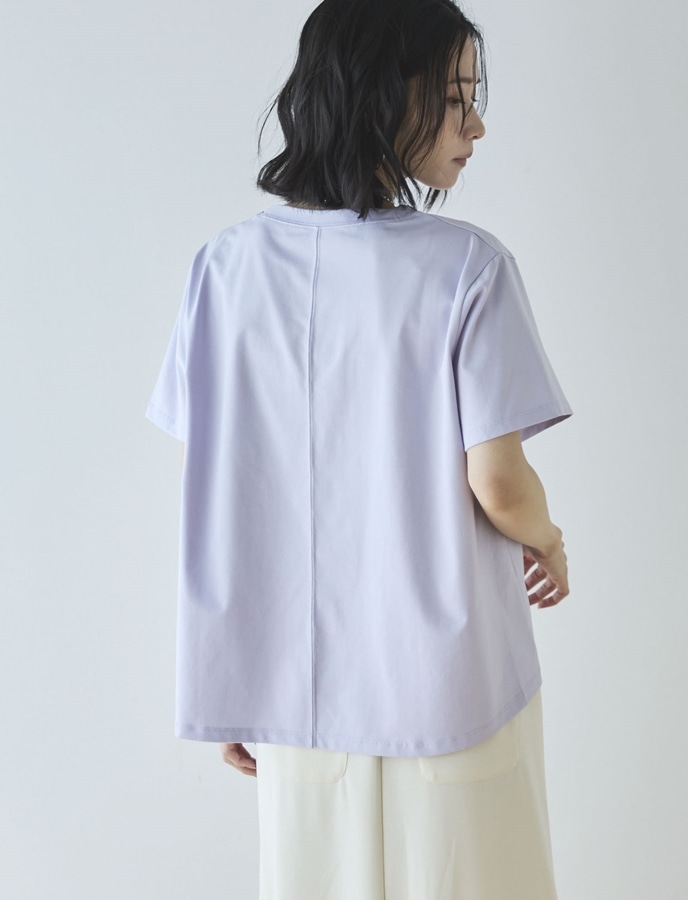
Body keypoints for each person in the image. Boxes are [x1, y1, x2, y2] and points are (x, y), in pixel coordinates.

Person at [145, 0, 572, 896]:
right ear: (385, 96)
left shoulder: (223, 267)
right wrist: (547, 538)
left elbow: (211, 484)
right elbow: (498, 480)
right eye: (455, 98)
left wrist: (234, 671)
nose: (477, 125)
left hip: (296, 698)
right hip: (452, 688)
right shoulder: (468, 268)